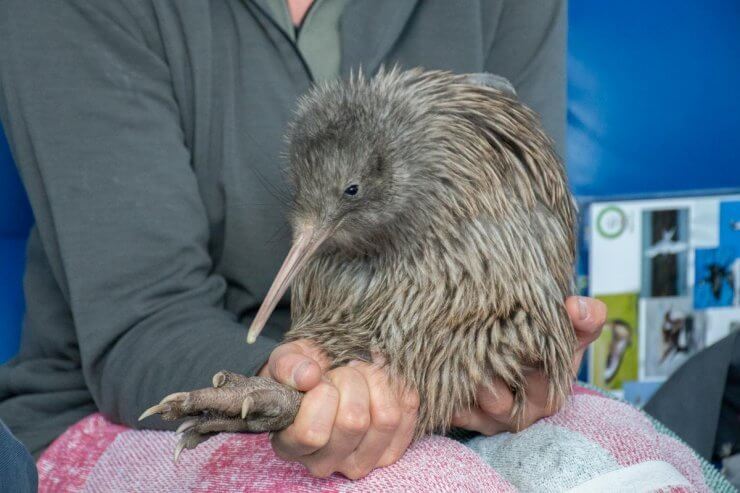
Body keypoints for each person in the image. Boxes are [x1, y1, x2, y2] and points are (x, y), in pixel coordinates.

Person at [0, 0, 605, 479]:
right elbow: (142, 316)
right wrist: (298, 387)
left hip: (423, 386)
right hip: (142, 408)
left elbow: (528, 216)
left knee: (626, 461)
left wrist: (510, 356)